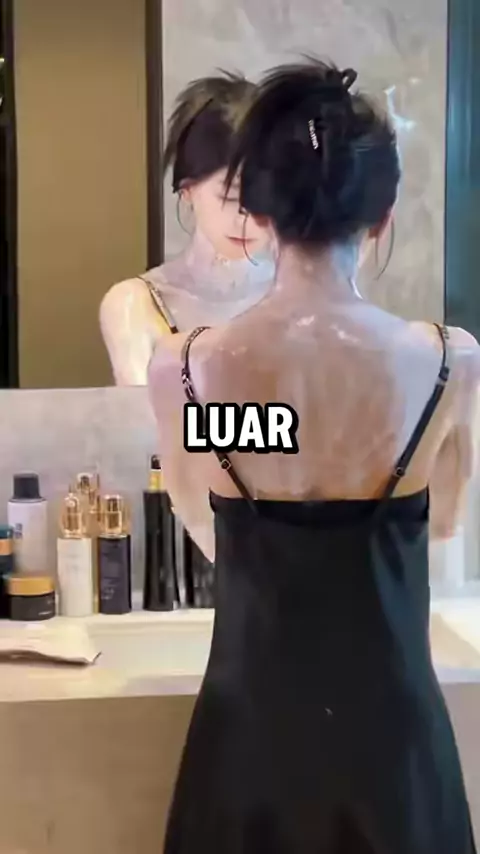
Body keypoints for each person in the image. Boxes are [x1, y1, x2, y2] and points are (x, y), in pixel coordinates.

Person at [148, 60, 479, 853]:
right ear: (382, 217)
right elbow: (443, 523)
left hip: (249, 743)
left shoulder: (188, 369)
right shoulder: (449, 362)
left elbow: (203, 521)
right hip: (391, 745)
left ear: (259, 210)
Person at [100, 72, 274, 386]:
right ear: (188, 188)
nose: (246, 217)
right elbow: (142, 416)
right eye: (230, 197)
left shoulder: (304, 299)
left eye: (266, 196)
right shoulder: (134, 304)